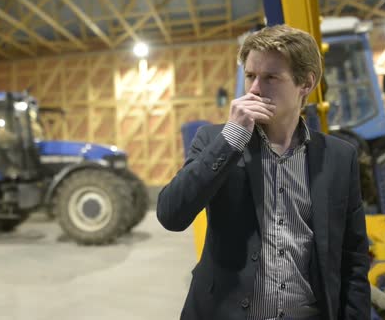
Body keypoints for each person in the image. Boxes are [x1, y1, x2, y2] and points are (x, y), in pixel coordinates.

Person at [156, 25, 370, 320]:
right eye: (250, 76)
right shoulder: (214, 141)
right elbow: (171, 215)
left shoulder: (338, 157)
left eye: (270, 77)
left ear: (305, 84)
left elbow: (353, 256)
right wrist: (231, 138)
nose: (255, 89)